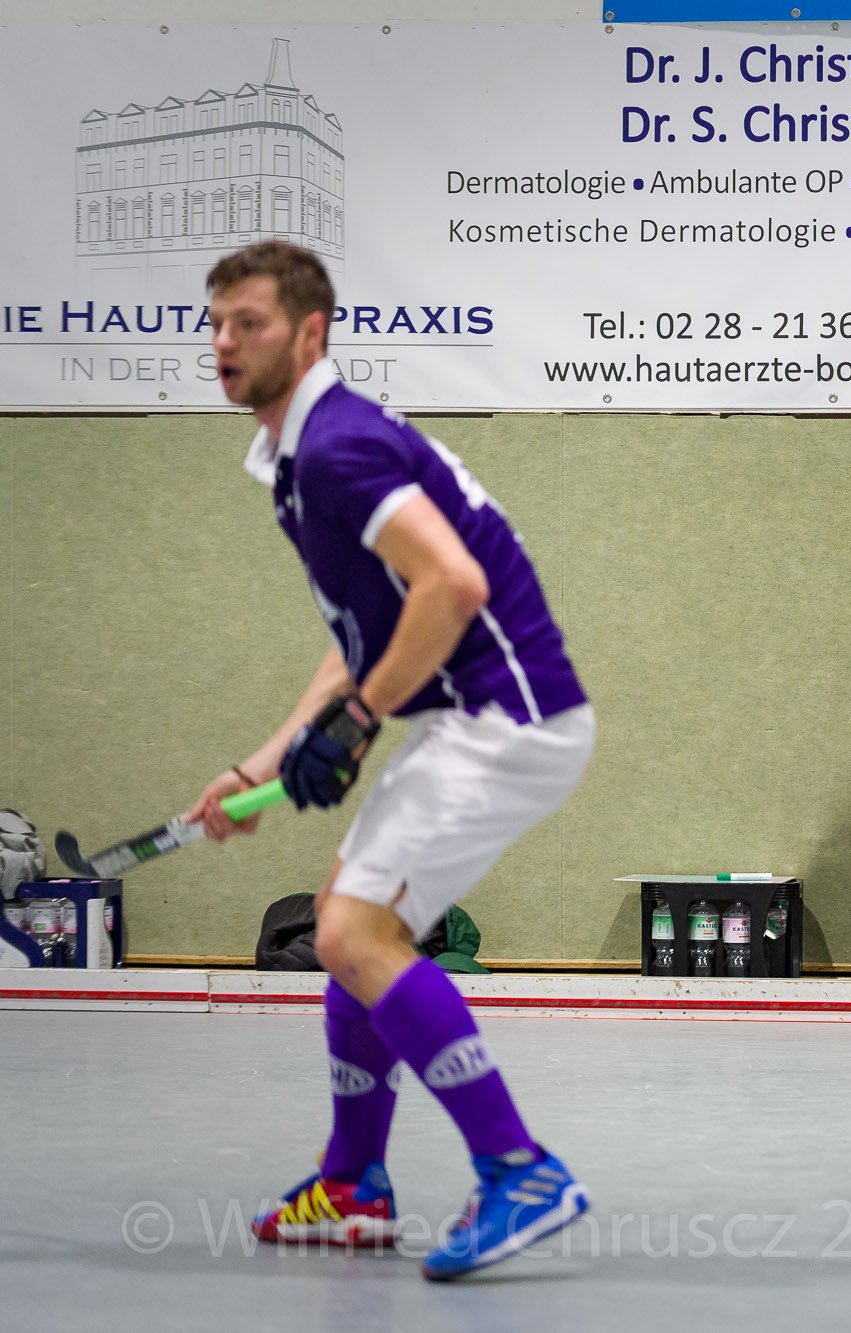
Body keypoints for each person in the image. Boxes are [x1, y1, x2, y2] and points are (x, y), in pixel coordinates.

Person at [190, 241, 597, 1278]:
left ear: (310, 333)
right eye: (217, 322)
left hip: (507, 718)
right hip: (473, 719)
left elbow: (452, 584)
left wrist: (361, 720)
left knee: (352, 930)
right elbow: (363, 635)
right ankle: (354, 1183)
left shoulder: (337, 448)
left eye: (250, 322)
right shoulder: (297, 458)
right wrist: (264, 762)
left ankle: (519, 1168)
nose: (226, 342)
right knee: (348, 921)